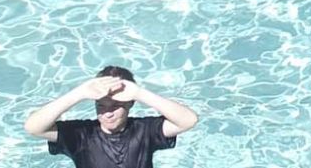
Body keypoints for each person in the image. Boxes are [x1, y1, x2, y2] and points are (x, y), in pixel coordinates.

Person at [22, 66, 200, 168]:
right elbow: (33, 127)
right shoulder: (81, 135)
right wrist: (80, 93)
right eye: (101, 105)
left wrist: (139, 93)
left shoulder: (145, 130)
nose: (108, 113)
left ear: (130, 103)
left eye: (116, 106)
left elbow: (188, 120)